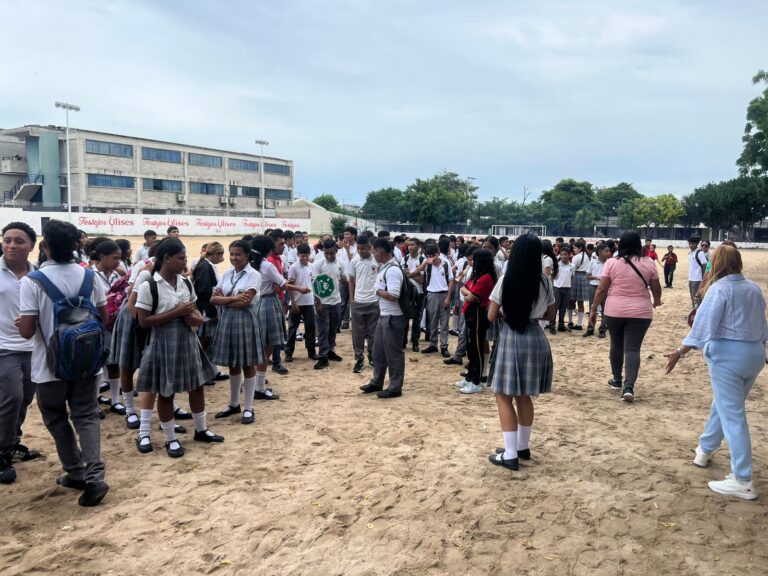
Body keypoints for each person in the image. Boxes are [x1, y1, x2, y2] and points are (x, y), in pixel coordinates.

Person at [665, 245, 767, 500]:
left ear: (716, 263)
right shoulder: (754, 288)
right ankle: (705, 448)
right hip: (754, 354)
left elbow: (702, 328)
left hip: (727, 356)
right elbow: (763, 324)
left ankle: (742, 479)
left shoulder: (719, 289)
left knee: (733, 415)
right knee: (724, 405)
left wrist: (679, 352)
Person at [18, 220, 109, 506]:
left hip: (49, 366)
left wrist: (20, 323)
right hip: (88, 362)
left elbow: (28, 331)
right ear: (76, 246)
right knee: (87, 416)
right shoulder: (90, 277)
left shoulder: (32, 282)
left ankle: (75, 471)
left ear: (44, 246)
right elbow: (104, 318)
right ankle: (95, 476)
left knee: (56, 417)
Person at [134, 237, 223, 458]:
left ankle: (201, 429)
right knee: (166, 392)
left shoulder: (185, 283)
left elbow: (193, 309)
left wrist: (197, 318)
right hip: (163, 342)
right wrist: (178, 312)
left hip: (187, 340)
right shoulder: (149, 286)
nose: (184, 263)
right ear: (166, 259)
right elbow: (143, 321)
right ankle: (170, 439)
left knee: (197, 387)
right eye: (180, 258)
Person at [486, 234, 556, 472]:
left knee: (503, 395)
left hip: (511, 337)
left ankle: (510, 454)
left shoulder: (507, 279)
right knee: (524, 395)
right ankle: (522, 447)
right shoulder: (545, 281)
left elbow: (491, 315)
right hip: (536, 337)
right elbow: (550, 315)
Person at [590, 231, 662, 402]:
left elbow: (602, 289)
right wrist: (657, 301)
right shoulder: (649, 263)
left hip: (614, 309)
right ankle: (629, 386)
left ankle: (616, 380)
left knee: (616, 345)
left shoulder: (612, 263)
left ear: (620, 245)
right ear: (639, 245)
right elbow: (656, 287)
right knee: (633, 348)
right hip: (641, 311)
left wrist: (593, 309)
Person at [0, 222, 41, 485]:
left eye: (19, 241)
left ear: (31, 246)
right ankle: (1, 451)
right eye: (7, 240)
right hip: (4, 347)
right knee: (11, 398)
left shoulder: (37, 274)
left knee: (25, 398)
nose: (12, 245)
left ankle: (12, 443)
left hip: (34, 347)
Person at [209, 240, 264, 425]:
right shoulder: (227, 273)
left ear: (247, 255)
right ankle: (233, 403)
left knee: (248, 365)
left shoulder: (254, 275)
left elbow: (246, 302)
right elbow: (213, 299)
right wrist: (232, 298)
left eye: (238, 254)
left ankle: (248, 407)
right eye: (231, 254)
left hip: (244, 321)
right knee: (233, 364)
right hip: (227, 320)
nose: (234, 258)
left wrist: (223, 299)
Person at [359, 238, 408, 399]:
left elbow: (394, 295)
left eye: (373, 250)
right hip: (385, 316)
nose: (373, 253)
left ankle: (395, 386)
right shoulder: (385, 268)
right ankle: (377, 381)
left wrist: (377, 291)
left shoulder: (392, 270)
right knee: (378, 351)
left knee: (393, 354)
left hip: (393, 317)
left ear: (380, 251)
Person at [93, 240, 127, 416]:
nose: (118, 262)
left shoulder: (116, 277)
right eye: (114, 258)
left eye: (119, 259)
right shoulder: (89, 275)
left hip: (112, 326)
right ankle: (93, 401)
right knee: (95, 365)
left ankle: (115, 400)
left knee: (113, 362)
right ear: (102, 257)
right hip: (95, 325)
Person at [456, 249, 497, 394]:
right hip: (470, 313)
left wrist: (467, 292)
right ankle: (470, 377)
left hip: (479, 313)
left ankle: (477, 380)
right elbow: (463, 288)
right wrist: (468, 292)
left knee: (477, 347)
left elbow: (471, 297)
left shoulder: (486, 278)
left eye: (474, 260)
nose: (472, 263)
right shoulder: (476, 276)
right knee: (470, 346)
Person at [192, 242, 228, 384]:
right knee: (203, 343)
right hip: (205, 311)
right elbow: (205, 292)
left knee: (207, 343)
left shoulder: (204, 264)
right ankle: (202, 374)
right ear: (216, 254)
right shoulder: (205, 267)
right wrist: (212, 313)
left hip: (206, 309)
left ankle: (211, 371)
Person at [313, 239, 345, 369]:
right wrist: (318, 302)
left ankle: (330, 350)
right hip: (323, 302)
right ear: (323, 252)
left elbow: (344, 279)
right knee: (323, 330)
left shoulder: (341, 263)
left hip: (336, 301)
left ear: (336, 251)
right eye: (327, 253)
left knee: (333, 328)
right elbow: (315, 284)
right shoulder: (318, 264)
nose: (329, 256)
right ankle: (322, 356)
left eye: (332, 253)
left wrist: (344, 281)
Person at [349, 237, 379, 373]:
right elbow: (351, 280)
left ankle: (373, 357)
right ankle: (359, 360)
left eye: (363, 248)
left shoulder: (377, 260)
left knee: (374, 333)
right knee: (357, 334)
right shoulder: (354, 260)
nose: (361, 251)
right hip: (358, 302)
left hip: (374, 302)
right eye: (358, 249)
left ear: (370, 247)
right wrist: (351, 299)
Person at [419, 242, 454, 357]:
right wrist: (426, 262)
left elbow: (451, 281)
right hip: (432, 294)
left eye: (433, 256)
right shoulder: (427, 264)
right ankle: (433, 344)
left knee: (444, 323)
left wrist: (448, 297)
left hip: (444, 294)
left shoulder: (446, 263)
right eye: (428, 256)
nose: (431, 258)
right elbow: (419, 270)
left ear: (438, 254)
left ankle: (444, 346)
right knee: (432, 321)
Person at [285, 243, 317, 362]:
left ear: (309, 255)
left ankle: (311, 351)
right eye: (302, 256)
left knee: (311, 328)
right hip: (296, 302)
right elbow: (290, 285)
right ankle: (289, 353)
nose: (304, 258)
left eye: (306, 255)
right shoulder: (294, 267)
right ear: (298, 255)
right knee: (292, 329)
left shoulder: (312, 267)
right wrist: (293, 302)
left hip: (309, 302)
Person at [402, 238, 426, 352]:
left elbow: (422, 280)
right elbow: (402, 276)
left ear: (418, 246)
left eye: (412, 245)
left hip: (419, 292)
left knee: (417, 319)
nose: (410, 247)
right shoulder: (404, 259)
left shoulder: (422, 260)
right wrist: (414, 274)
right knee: (405, 318)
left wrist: (409, 274)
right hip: (406, 293)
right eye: (409, 245)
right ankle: (403, 342)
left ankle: (415, 343)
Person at [583, 245, 610, 338]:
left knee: (605, 309)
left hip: (605, 287)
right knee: (592, 308)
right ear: (599, 252)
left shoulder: (609, 263)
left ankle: (602, 329)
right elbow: (587, 276)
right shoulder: (593, 262)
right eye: (606, 251)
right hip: (593, 286)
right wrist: (597, 277)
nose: (608, 253)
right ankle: (590, 328)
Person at [569, 241, 590, 330]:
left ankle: (570, 321)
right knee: (580, 302)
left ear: (580, 248)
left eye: (575, 248)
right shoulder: (588, 256)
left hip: (576, 277)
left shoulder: (576, 257)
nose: (574, 250)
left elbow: (572, 269)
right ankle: (579, 324)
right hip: (585, 278)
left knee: (571, 300)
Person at [552, 246, 573, 333]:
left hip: (567, 288)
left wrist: (570, 287)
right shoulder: (556, 265)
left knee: (563, 308)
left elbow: (572, 277)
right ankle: (552, 325)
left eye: (565, 254)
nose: (563, 256)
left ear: (569, 255)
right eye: (561, 254)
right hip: (557, 288)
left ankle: (561, 325)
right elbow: (552, 276)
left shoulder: (572, 266)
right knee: (555, 307)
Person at [687, 237, 709, 307]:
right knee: (693, 297)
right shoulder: (690, 253)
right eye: (689, 243)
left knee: (696, 298)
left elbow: (704, 265)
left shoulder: (700, 253)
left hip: (697, 279)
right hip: (691, 278)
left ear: (697, 244)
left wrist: (703, 277)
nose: (690, 245)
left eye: (692, 243)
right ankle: (694, 312)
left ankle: (697, 313)